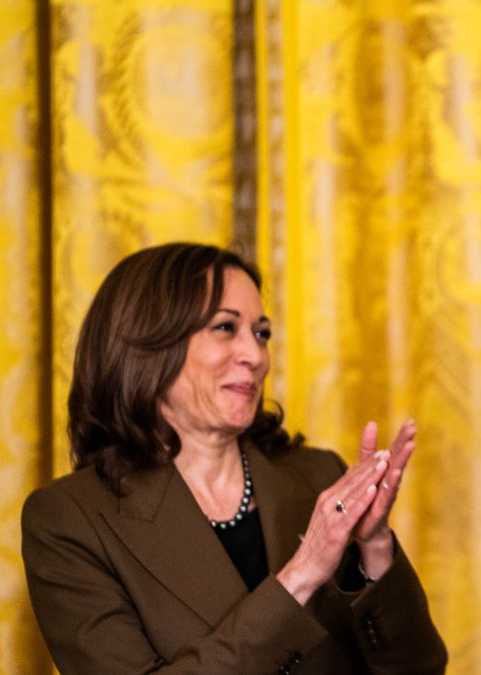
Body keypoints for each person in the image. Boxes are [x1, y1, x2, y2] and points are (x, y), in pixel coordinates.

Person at [22, 243, 447, 674]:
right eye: (226, 328)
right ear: (148, 343)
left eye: (261, 333)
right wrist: (300, 575)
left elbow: (421, 669)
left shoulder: (320, 475)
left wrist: (374, 546)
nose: (255, 356)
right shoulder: (68, 520)